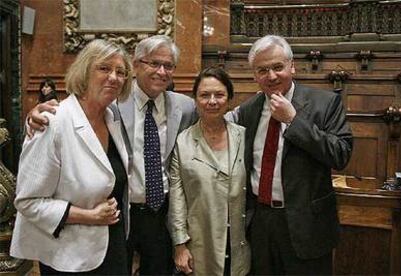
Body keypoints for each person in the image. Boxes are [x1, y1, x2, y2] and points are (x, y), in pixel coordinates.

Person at [26, 35, 197, 275]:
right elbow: (71, 114)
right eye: (154, 63)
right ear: (136, 65)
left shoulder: (186, 107)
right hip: (120, 212)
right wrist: (34, 117)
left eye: (168, 66)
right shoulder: (110, 103)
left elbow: (218, 121)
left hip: (160, 214)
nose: (161, 71)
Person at [227, 35, 353, 275]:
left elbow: (341, 154)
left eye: (277, 67)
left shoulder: (325, 103)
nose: (271, 76)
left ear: (292, 66)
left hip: (306, 225)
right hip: (261, 224)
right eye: (262, 70)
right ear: (254, 75)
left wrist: (294, 120)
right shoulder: (248, 110)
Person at [10, 39, 133, 274]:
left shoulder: (112, 119)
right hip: (68, 255)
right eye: (104, 68)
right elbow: (27, 201)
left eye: (121, 72)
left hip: (112, 244)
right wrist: (88, 216)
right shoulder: (53, 122)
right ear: (84, 71)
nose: (114, 77)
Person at [169, 67, 250, 276]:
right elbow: (178, 198)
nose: (212, 101)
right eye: (204, 95)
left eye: (219, 95)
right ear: (195, 99)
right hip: (200, 241)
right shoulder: (183, 141)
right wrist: (179, 244)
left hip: (240, 239)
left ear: (230, 99)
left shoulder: (244, 137)